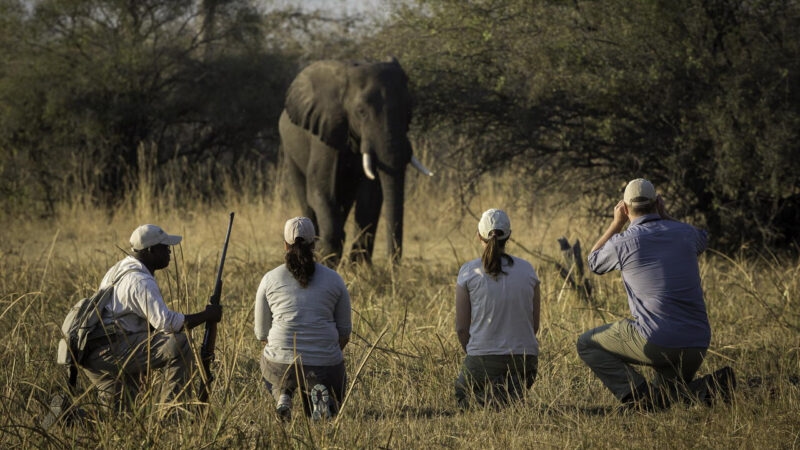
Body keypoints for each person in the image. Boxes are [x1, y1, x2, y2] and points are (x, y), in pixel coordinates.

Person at [577, 178, 734, 411]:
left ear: (625, 207)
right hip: (697, 343)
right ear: (658, 203)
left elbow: (593, 262)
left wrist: (616, 224)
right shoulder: (685, 233)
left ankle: (640, 400)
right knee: (665, 400)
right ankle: (708, 387)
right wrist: (666, 216)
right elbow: (703, 238)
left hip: (658, 341)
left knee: (586, 344)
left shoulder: (623, 242)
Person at [81, 224, 223, 413]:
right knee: (179, 344)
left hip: (95, 352)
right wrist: (207, 315)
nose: (169, 252)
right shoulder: (141, 281)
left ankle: (66, 415)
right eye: (165, 248)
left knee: (118, 415)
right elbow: (167, 324)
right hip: (112, 349)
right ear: (150, 251)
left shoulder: (119, 269)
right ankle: (173, 414)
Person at [254, 217, 352, 422]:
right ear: (314, 244)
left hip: (280, 363)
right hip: (325, 363)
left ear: (285, 245)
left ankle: (283, 394)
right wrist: (319, 356)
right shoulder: (335, 279)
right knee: (324, 378)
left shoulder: (269, 279)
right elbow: (344, 333)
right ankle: (323, 393)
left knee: (272, 360)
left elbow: (262, 334)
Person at [454, 208, 541, 409]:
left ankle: (492, 398)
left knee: (462, 394)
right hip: (525, 360)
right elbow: (533, 326)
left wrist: (476, 353)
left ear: (479, 236)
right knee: (508, 394)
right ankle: (509, 394)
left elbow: (461, 328)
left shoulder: (468, 271)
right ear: (508, 235)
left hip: (483, 357)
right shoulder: (528, 269)